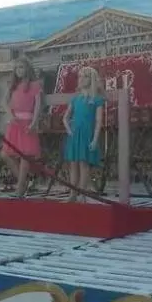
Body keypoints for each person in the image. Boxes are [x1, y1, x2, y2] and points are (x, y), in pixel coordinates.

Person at [0, 56, 42, 198]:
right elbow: (4, 102)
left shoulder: (35, 85)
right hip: (14, 123)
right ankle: (22, 182)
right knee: (5, 154)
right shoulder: (13, 85)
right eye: (17, 68)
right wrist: (10, 114)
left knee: (25, 156)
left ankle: (20, 188)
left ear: (27, 69)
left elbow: (37, 106)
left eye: (21, 67)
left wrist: (34, 123)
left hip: (27, 123)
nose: (19, 70)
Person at [62, 66, 104, 203]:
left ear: (91, 79)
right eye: (80, 76)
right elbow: (65, 117)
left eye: (85, 76)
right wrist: (69, 130)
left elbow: (98, 121)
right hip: (75, 135)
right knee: (73, 165)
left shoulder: (96, 99)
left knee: (84, 165)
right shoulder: (75, 99)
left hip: (87, 135)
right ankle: (73, 194)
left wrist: (95, 139)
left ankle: (82, 194)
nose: (81, 79)